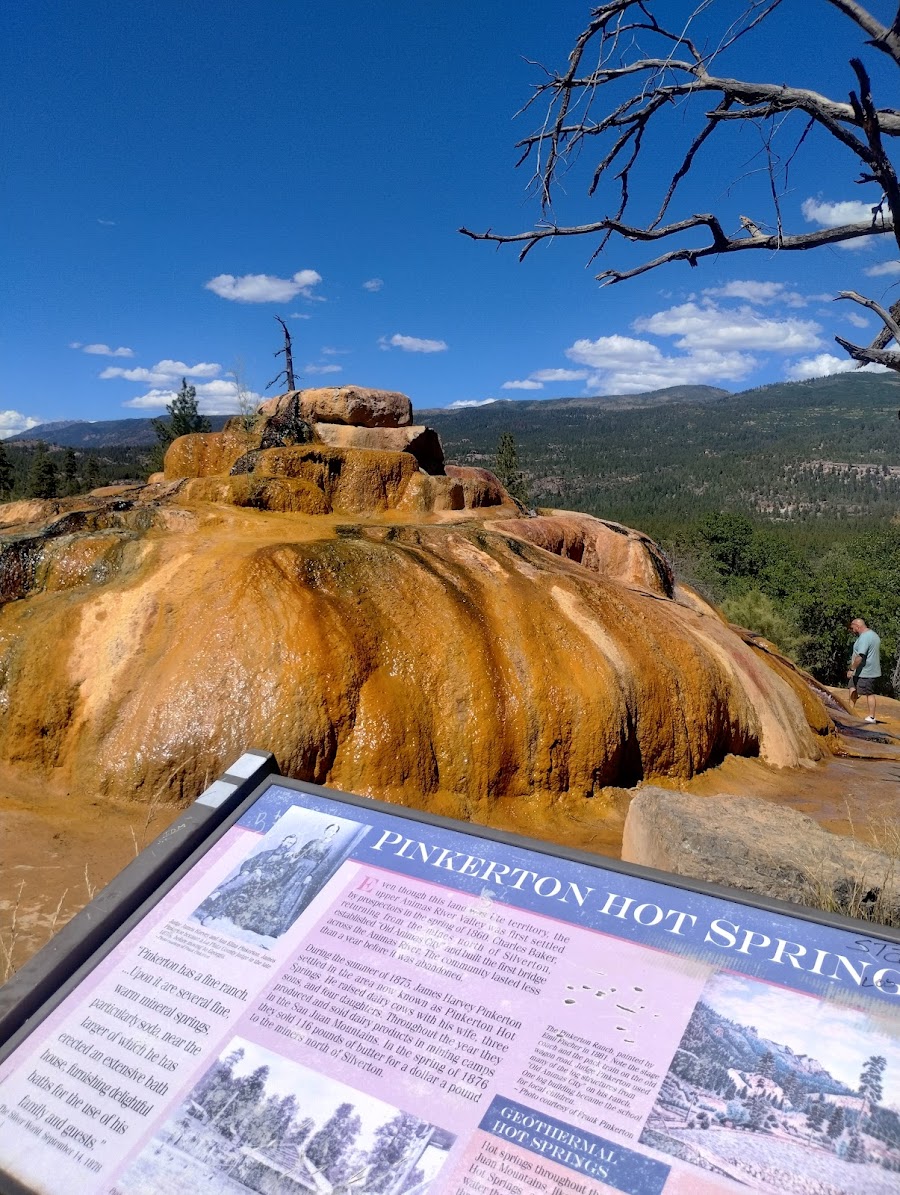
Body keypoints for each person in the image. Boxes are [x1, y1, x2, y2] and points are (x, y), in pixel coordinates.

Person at [847, 617, 881, 724]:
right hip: (861, 671)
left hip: (866, 672)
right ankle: (850, 712)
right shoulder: (873, 635)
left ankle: (871, 717)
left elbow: (860, 656)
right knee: (852, 687)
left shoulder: (864, 638)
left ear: (857, 626)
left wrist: (852, 669)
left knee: (869, 693)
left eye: (853, 628)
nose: (853, 631)